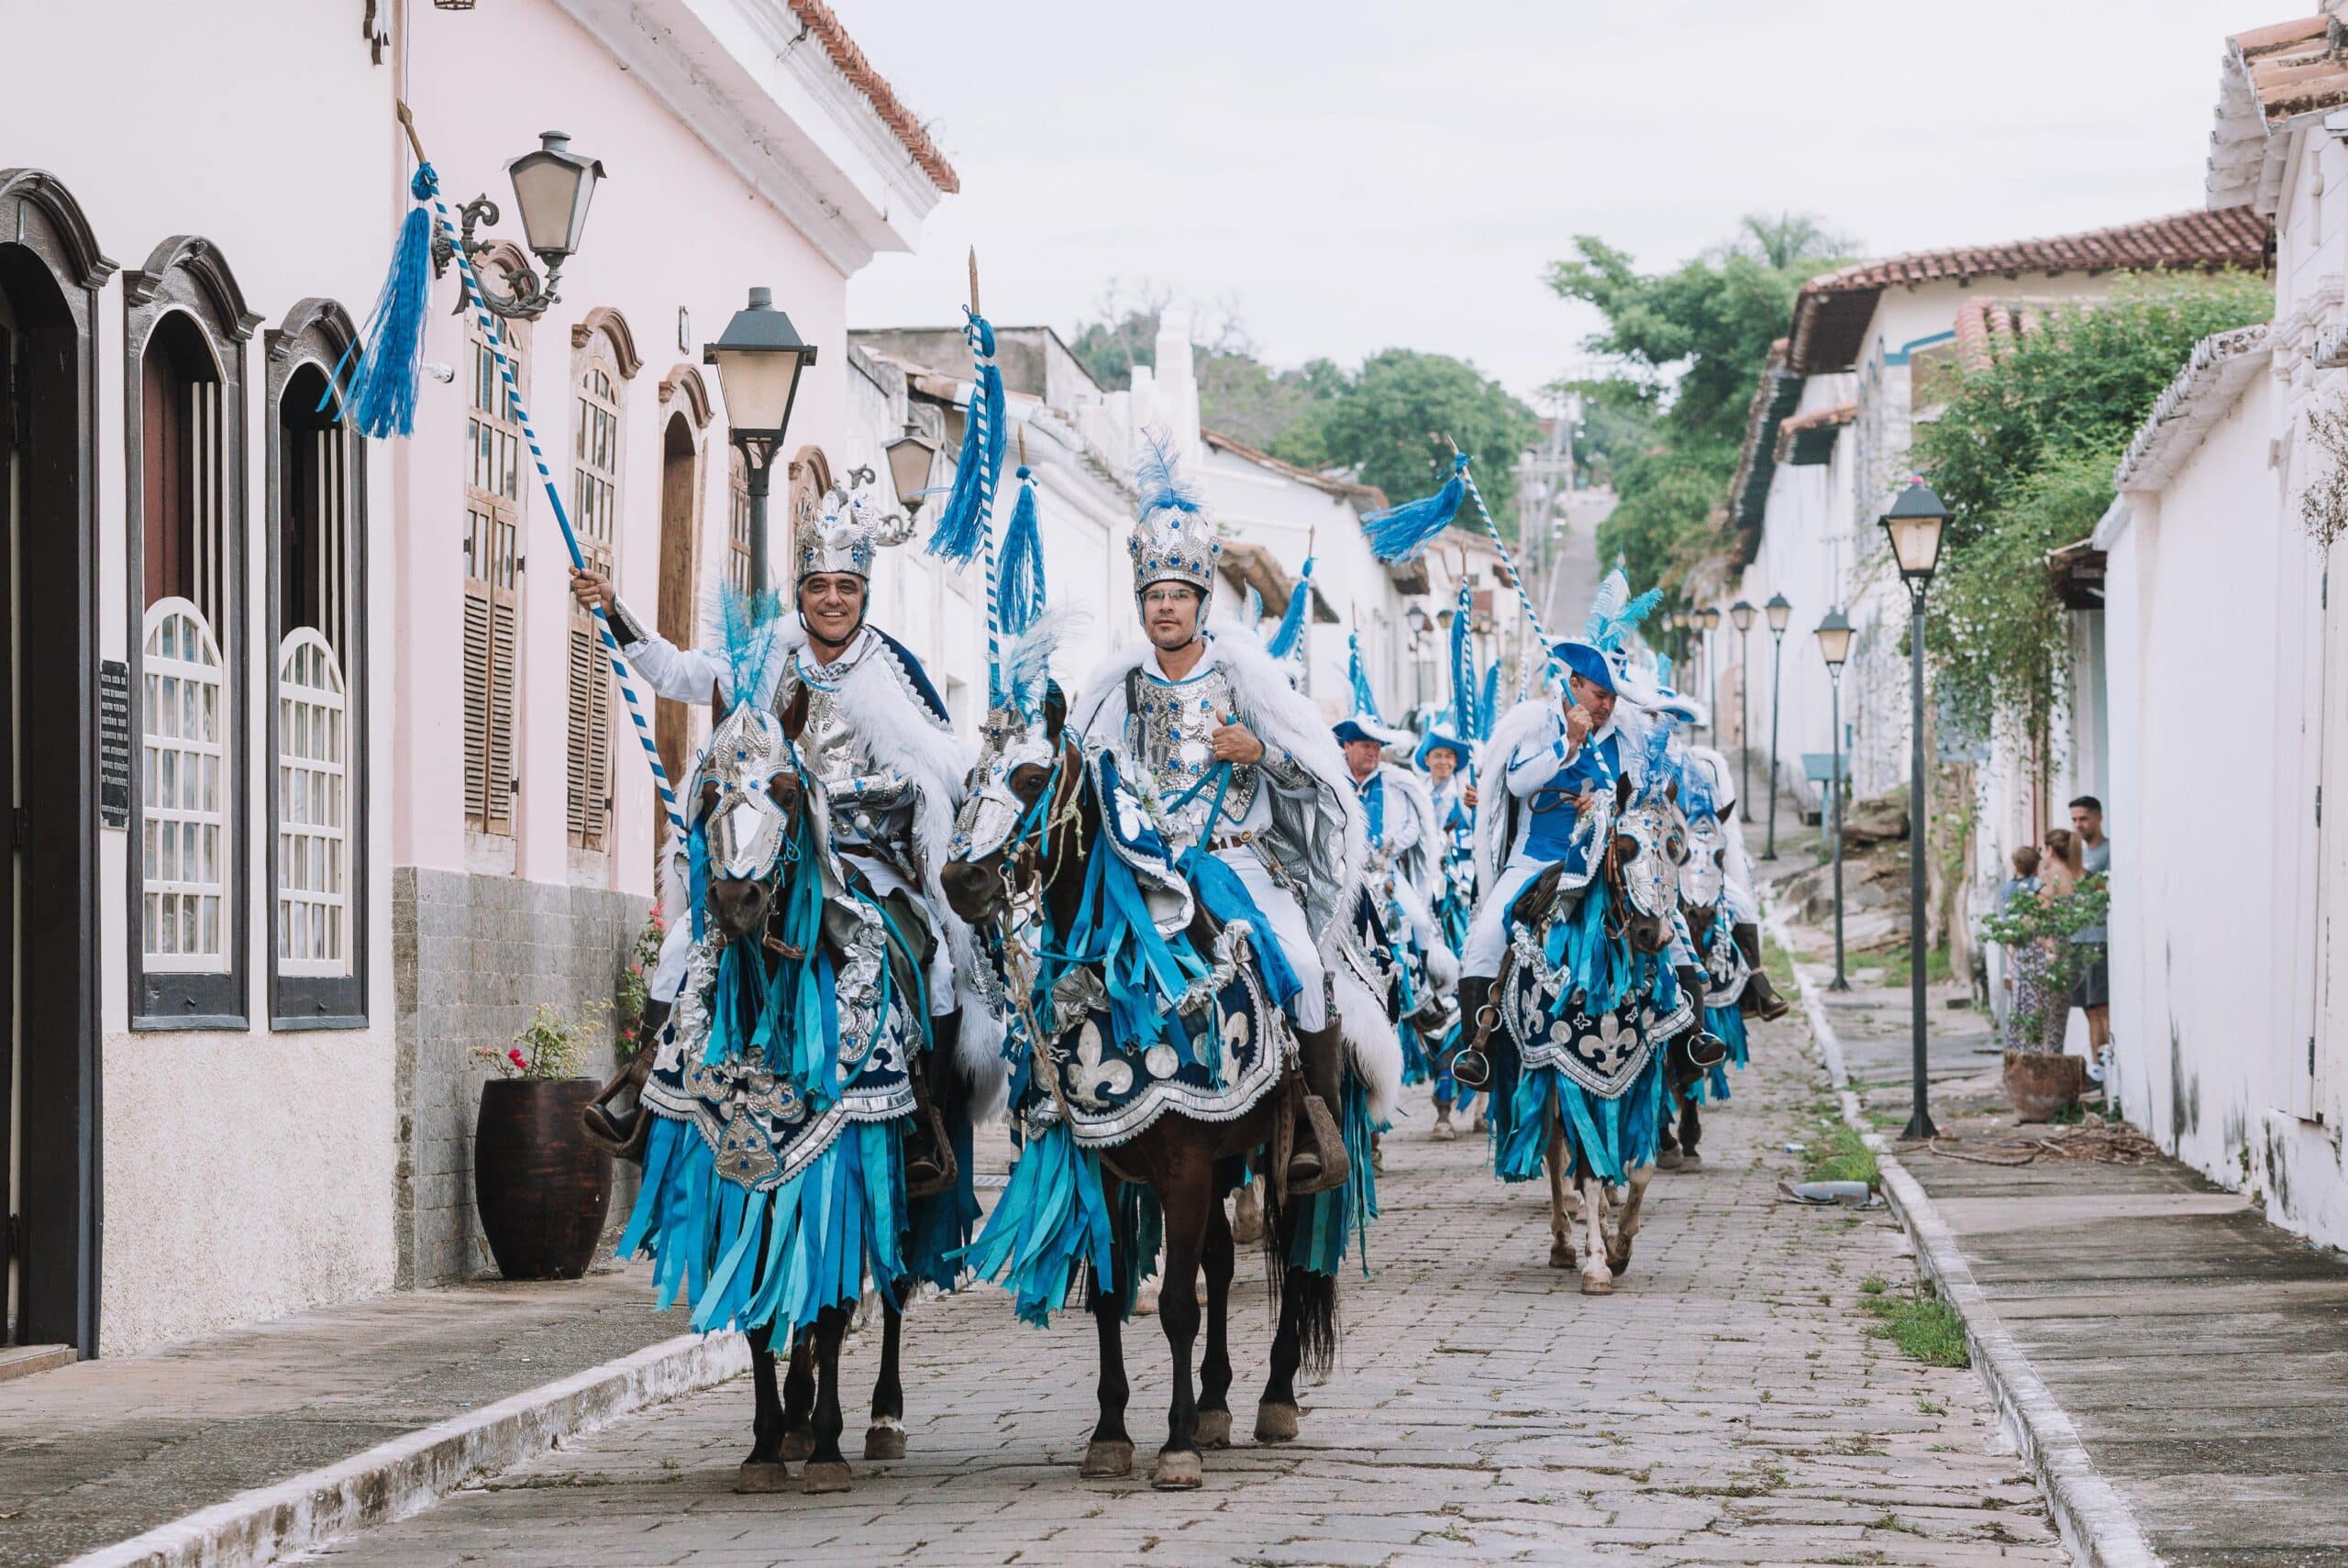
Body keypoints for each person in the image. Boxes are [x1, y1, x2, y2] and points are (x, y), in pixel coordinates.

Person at [568, 479, 1002, 1184]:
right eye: (820, 585)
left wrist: (841, 799)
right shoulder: (761, 658)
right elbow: (678, 672)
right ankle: (643, 1101)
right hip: (769, 856)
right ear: (800, 592)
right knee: (681, 947)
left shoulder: (898, 673)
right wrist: (616, 612)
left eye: (848, 586)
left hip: (866, 864)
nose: (833, 599)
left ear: (865, 593)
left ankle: (924, 1120)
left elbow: (931, 778)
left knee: (943, 973)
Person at [1072, 436, 1365, 1194]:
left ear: (1202, 601)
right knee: (1075, 980)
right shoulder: (1116, 689)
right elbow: (1082, 780)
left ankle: (1312, 1123)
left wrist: (1258, 750)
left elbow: (1319, 782)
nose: (1165, 607)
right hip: (1145, 871)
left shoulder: (1247, 678)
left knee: (1301, 967)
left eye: (1177, 595)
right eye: (1153, 596)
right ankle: (1067, 1112)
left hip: (1239, 861)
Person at [1998, 845, 2063, 1054]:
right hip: (2032, 941)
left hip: (2014, 933)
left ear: (2015, 865)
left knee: (2019, 1000)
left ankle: (2008, 971)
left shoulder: (2007, 888)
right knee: (2035, 1001)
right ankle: (2035, 1048)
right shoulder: (2034, 883)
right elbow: (2050, 895)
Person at [2069, 795, 2111, 1080]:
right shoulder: (2078, 854)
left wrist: (2079, 872)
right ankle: (2096, 1066)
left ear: (2098, 817)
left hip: (2098, 936)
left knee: (2100, 1006)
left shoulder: (2108, 851)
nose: (2078, 825)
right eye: (2074, 820)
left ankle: (2104, 1069)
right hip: (2076, 937)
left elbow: (2105, 887)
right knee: (2088, 1007)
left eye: (2083, 818)